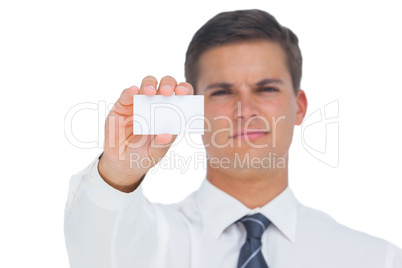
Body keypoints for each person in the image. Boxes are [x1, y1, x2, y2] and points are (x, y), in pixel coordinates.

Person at [64, 9, 402, 268]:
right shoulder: (152, 242)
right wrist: (119, 173)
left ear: (298, 108)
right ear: (193, 110)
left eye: (266, 88)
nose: (244, 109)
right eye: (223, 91)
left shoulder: (375, 259)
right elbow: (95, 248)